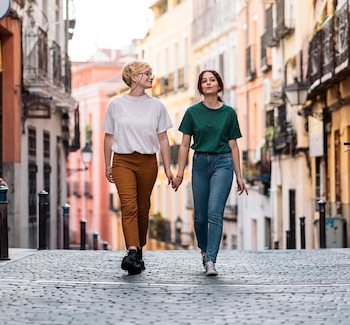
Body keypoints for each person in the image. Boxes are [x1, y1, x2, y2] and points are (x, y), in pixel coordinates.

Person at [173, 69, 248, 276]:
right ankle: (204, 251)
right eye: (204, 81)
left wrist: (240, 177)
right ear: (200, 87)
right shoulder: (192, 112)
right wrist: (180, 174)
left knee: (215, 212)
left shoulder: (229, 113)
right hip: (199, 164)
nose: (208, 83)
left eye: (212, 80)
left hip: (223, 164)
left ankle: (211, 261)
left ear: (219, 85)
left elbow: (234, 146)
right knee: (199, 217)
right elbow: (184, 145)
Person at [103, 61, 174, 274]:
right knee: (129, 206)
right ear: (133, 77)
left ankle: (138, 250)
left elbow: (163, 139)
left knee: (143, 209)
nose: (152, 77)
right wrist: (108, 164)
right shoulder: (116, 105)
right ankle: (132, 251)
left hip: (148, 162)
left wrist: (168, 168)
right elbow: (108, 137)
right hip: (122, 161)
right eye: (147, 74)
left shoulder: (157, 106)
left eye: (151, 73)